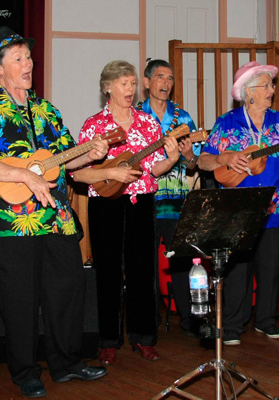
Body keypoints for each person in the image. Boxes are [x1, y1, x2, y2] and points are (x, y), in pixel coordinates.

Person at [0, 26, 109, 397]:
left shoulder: (47, 110)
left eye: (28, 57)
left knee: (67, 289)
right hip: (9, 222)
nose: (28, 64)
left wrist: (90, 154)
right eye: (18, 58)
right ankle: (25, 371)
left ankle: (67, 363)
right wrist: (24, 175)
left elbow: (66, 160)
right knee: (19, 299)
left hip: (56, 218)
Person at [72, 60, 179, 365]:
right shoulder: (94, 125)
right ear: (108, 87)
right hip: (105, 201)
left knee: (143, 270)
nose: (130, 89)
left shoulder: (148, 123)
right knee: (107, 269)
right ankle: (108, 340)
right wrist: (112, 174)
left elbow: (154, 169)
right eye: (123, 84)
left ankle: (143, 337)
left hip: (141, 201)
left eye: (133, 83)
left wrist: (171, 159)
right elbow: (77, 173)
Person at [197, 61, 279, 345]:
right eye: (266, 85)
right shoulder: (227, 122)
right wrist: (224, 158)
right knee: (237, 270)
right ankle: (232, 326)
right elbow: (203, 161)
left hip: (274, 207)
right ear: (249, 92)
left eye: (272, 85)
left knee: (270, 268)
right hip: (238, 209)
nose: (272, 90)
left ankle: (266, 320)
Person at [136, 58, 201, 336]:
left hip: (176, 203)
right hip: (143, 201)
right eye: (160, 77)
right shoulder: (135, 116)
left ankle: (190, 321)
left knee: (182, 263)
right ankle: (146, 324)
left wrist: (189, 156)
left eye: (170, 78)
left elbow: (194, 164)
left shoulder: (183, 118)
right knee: (144, 265)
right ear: (147, 82)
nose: (166, 83)